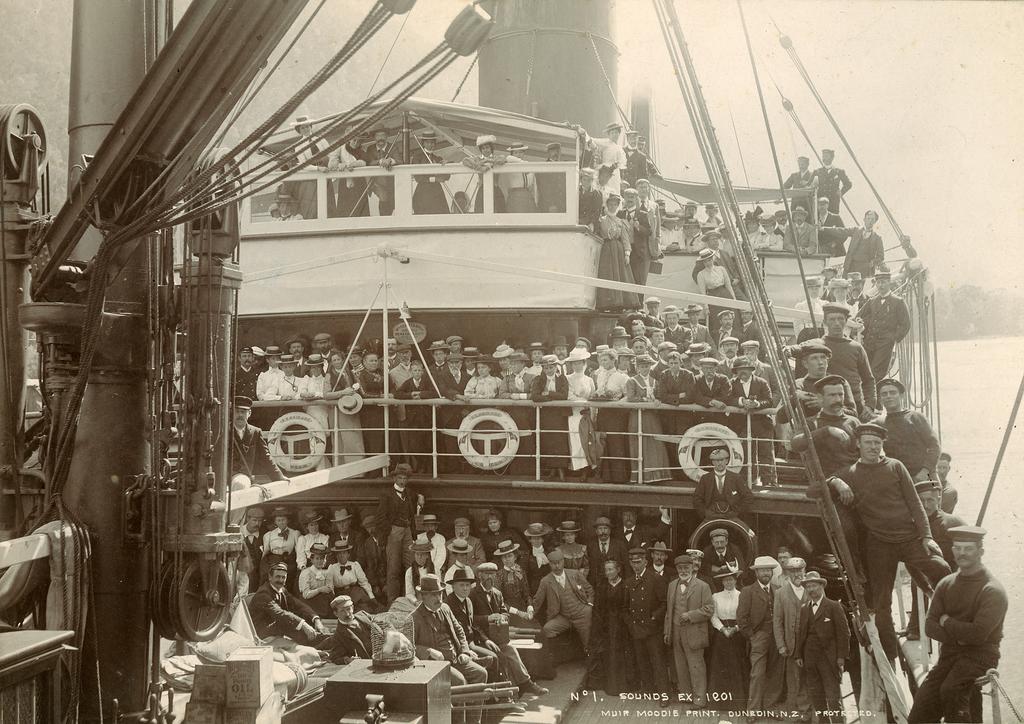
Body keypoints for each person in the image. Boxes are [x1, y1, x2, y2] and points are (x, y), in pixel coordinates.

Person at [828, 423, 951, 661]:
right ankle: (890, 655)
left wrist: (927, 536)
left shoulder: (895, 466)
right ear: (858, 444)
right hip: (880, 544)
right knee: (881, 603)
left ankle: (945, 621)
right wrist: (835, 481)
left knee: (942, 568)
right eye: (868, 443)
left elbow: (915, 503)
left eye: (877, 443)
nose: (873, 447)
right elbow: (816, 489)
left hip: (909, 537)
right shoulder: (850, 473)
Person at [908, 526, 1007, 724]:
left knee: (951, 691)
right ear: (952, 550)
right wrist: (961, 636)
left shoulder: (992, 590)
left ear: (980, 551)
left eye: (968, 548)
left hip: (981, 656)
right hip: (950, 655)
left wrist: (947, 622)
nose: (962, 553)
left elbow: (978, 634)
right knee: (920, 710)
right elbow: (930, 626)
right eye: (958, 548)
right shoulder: (946, 584)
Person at [411, 575, 488, 724]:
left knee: (481, 674)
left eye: (440, 593)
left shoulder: (445, 608)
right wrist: (428, 651)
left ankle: (474, 721)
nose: (439, 598)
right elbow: (409, 647)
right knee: (460, 681)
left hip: (456, 658)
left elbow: (459, 630)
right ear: (423, 596)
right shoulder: (414, 618)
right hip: (437, 667)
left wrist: (464, 651)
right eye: (434, 595)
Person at [905, 480, 967, 639]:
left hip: (951, 577)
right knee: (917, 582)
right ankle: (916, 627)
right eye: (921, 501)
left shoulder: (953, 522)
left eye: (930, 500)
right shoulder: (910, 527)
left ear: (939, 500)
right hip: (922, 577)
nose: (926, 505)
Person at [793, 571, 849, 723]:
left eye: (814, 586)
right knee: (817, 697)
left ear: (821, 586)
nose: (811, 589)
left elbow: (844, 633)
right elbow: (800, 633)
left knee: (833, 697)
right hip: (810, 659)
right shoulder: (804, 609)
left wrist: (841, 657)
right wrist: (798, 655)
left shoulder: (833, 606)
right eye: (808, 587)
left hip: (829, 659)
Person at [664, 553, 713, 710]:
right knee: (680, 665)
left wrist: (690, 615)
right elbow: (669, 611)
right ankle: (686, 695)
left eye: (686, 568)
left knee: (696, 665)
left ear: (692, 568)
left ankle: (699, 700)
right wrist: (667, 631)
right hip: (676, 630)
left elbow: (709, 609)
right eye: (680, 568)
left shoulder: (703, 586)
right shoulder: (672, 585)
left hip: (694, 631)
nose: (683, 571)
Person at [873, 377, 941, 482]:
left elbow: (935, 446)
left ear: (901, 395)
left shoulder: (916, 417)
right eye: (884, 394)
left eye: (893, 393)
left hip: (925, 477)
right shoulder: (879, 423)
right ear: (880, 399)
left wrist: (925, 472)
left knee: (931, 492)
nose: (888, 396)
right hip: (898, 479)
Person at [739, 556, 783, 713]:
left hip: (777, 638)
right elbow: (741, 619)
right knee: (757, 673)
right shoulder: (748, 591)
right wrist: (752, 636)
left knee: (776, 672)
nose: (766, 573)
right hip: (759, 636)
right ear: (756, 573)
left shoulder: (778, 589)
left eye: (768, 570)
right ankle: (753, 710)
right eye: (762, 570)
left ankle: (770, 707)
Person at [624, 548, 670, 701]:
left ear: (645, 562)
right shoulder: (629, 582)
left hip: (652, 629)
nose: (636, 566)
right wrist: (631, 624)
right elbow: (624, 608)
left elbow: (664, 603)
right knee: (642, 661)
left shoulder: (655, 579)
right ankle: (649, 690)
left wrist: (654, 618)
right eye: (633, 563)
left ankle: (664, 695)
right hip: (637, 629)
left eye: (638, 562)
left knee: (658, 662)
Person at [816, 302, 877, 417]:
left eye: (840, 319)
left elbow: (868, 380)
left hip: (855, 406)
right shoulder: (817, 347)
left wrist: (870, 405)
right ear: (825, 322)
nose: (836, 323)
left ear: (846, 321)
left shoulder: (856, 348)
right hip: (826, 407)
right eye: (832, 319)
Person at [532, 548, 594, 658]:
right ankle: (559, 657)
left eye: (559, 562)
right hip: (563, 617)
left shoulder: (574, 574)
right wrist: (529, 614)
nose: (557, 566)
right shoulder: (546, 581)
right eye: (553, 563)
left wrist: (589, 605)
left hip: (582, 614)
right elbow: (537, 601)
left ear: (563, 561)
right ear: (549, 564)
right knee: (548, 629)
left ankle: (590, 660)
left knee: (588, 642)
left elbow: (589, 589)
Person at [249, 562, 328, 645]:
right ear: (270, 577)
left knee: (303, 626)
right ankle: (316, 644)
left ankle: (320, 641)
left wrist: (315, 619)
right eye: (278, 577)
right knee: (296, 627)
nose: (280, 580)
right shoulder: (263, 593)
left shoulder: (282, 590)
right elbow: (280, 613)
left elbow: (297, 605)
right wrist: (304, 625)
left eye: (283, 577)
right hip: (261, 635)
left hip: (276, 628)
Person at [728, 357, 777, 485]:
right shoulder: (731, 384)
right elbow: (728, 399)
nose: (742, 372)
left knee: (766, 452)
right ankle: (750, 481)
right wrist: (741, 401)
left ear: (751, 370)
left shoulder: (761, 382)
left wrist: (757, 404)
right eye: (739, 369)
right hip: (741, 424)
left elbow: (769, 401)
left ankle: (769, 482)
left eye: (745, 369)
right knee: (745, 452)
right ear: (736, 371)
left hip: (762, 423)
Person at [378, 463, 423, 602]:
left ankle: (411, 599)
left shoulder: (409, 493)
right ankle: (392, 601)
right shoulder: (386, 494)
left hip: (408, 531)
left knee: (411, 565)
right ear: (394, 478)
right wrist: (390, 531)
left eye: (405, 478)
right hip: (394, 531)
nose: (402, 481)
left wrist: (420, 496)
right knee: (393, 568)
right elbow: (381, 517)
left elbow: (416, 497)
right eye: (400, 478)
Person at [774, 556, 812, 720]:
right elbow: (777, 621)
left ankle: (809, 712)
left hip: (810, 644)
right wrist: (781, 645)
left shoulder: (812, 588)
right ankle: (797, 713)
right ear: (788, 573)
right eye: (793, 571)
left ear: (805, 571)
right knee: (794, 679)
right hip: (791, 645)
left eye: (800, 571)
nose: (797, 574)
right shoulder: (780, 593)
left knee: (810, 676)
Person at [589, 559, 633, 695]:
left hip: (622, 626)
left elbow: (628, 606)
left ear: (618, 570)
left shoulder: (625, 585)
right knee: (609, 654)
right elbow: (598, 608)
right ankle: (611, 686)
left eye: (611, 569)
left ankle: (624, 686)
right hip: (606, 626)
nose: (608, 572)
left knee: (623, 654)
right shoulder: (602, 587)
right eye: (606, 570)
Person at [625, 355, 672, 483]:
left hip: (652, 417)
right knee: (639, 442)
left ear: (650, 367)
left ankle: (656, 475)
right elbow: (630, 397)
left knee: (654, 442)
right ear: (637, 368)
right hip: (637, 417)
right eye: (642, 366)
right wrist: (645, 400)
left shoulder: (655, 381)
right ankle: (640, 476)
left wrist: (657, 400)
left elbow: (660, 395)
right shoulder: (632, 381)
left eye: (647, 366)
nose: (645, 369)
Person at [858, 271, 911, 382]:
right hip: (869, 343)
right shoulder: (872, 301)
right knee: (865, 371)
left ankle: (874, 392)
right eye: (878, 283)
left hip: (885, 344)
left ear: (889, 283)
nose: (880, 285)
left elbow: (905, 324)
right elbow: (859, 316)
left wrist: (893, 338)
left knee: (876, 372)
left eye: (883, 282)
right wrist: (862, 328)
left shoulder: (898, 302)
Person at [595, 193, 637, 312]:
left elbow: (625, 239)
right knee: (607, 273)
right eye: (610, 204)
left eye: (615, 205)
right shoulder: (601, 220)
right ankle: (607, 303)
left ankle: (620, 303)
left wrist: (627, 253)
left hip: (618, 250)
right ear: (607, 205)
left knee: (620, 274)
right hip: (606, 249)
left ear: (618, 206)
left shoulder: (621, 221)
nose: (612, 207)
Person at [530, 355, 570, 480]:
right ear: (543, 368)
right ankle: (552, 469)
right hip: (546, 415)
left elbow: (564, 395)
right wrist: (551, 399)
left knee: (560, 441)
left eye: (551, 367)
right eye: (546, 368)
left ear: (556, 367)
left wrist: (548, 393)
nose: (549, 370)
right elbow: (535, 396)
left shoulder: (562, 378)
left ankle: (561, 470)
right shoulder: (539, 379)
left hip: (559, 415)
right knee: (548, 441)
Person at [230, 396, 285, 484]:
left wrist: (279, 477)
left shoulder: (255, 432)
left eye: (243, 412)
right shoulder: (224, 431)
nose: (240, 415)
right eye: (237, 411)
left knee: (241, 483)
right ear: (231, 412)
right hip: (225, 477)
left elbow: (266, 457)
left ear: (249, 413)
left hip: (244, 477)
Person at [693, 445, 752, 521]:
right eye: (716, 460)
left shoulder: (736, 478)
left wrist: (737, 512)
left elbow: (748, 497)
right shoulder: (705, 479)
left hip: (731, 516)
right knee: (701, 529)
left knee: (744, 529)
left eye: (722, 460)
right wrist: (705, 513)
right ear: (713, 462)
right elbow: (697, 498)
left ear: (726, 461)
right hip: (711, 516)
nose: (719, 463)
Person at [327, 541, 381, 613]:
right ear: (336, 555)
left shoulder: (355, 565)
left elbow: (364, 582)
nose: (341, 556)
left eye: (344, 553)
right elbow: (330, 586)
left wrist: (372, 597)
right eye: (339, 553)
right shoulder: (332, 568)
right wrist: (334, 601)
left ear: (348, 554)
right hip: (341, 594)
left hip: (355, 592)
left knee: (368, 608)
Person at [320, 594, 375, 664]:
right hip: (368, 664)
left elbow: (381, 624)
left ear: (353, 607)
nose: (347, 614)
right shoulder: (338, 636)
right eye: (342, 611)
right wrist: (348, 660)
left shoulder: (363, 615)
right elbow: (336, 658)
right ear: (336, 613)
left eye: (348, 609)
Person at [620, 188, 653, 292]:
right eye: (627, 197)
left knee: (639, 281)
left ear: (636, 198)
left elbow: (649, 231)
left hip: (639, 252)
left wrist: (639, 227)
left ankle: (639, 302)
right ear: (624, 198)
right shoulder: (620, 214)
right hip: (624, 251)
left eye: (632, 197)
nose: (630, 199)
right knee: (625, 279)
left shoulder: (643, 213)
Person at [841, 210, 885, 278]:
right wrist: (824, 229)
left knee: (862, 284)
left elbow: (881, 256)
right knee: (845, 284)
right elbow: (841, 231)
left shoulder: (877, 238)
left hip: (865, 270)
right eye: (868, 218)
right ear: (864, 219)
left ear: (875, 222)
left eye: (872, 219)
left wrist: (873, 262)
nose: (870, 221)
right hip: (850, 266)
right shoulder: (855, 230)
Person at [586, 516, 628, 587]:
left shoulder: (620, 545)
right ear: (596, 531)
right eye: (600, 529)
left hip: (616, 586)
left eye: (605, 528)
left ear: (610, 530)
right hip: (595, 586)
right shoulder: (590, 546)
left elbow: (626, 567)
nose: (603, 532)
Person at [297, 543, 335, 617]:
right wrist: (319, 590)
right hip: (309, 603)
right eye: (317, 558)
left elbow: (330, 590)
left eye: (322, 558)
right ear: (312, 560)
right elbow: (306, 595)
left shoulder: (327, 573)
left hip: (322, 604)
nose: (320, 561)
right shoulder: (306, 573)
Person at [811, 149, 852, 214]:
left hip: (833, 203)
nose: (824, 158)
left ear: (832, 158)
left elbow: (848, 184)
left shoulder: (839, 172)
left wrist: (841, 192)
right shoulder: (817, 172)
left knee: (833, 218)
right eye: (823, 156)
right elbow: (810, 185)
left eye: (826, 156)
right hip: (821, 203)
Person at [594, 121, 628, 200]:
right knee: (606, 191)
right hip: (606, 171)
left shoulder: (619, 147)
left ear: (619, 133)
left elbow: (623, 163)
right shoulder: (606, 142)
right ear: (609, 135)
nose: (615, 135)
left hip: (616, 173)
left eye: (616, 132)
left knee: (615, 192)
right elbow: (593, 140)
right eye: (612, 133)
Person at [357, 515, 387, 601]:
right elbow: (370, 566)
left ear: (377, 526)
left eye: (372, 526)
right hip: (376, 578)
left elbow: (391, 564)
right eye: (367, 528)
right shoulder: (368, 543)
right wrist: (374, 585)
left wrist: (387, 583)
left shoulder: (386, 539)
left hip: (388, 577)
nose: (370, 530)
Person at [240, 507, 266, 595]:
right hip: (241, 574)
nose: (257, 524)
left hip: (258, 576)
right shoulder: (239, 533)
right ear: (247, 519)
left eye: (260, 521)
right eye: (254, 520)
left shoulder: (265, 534)